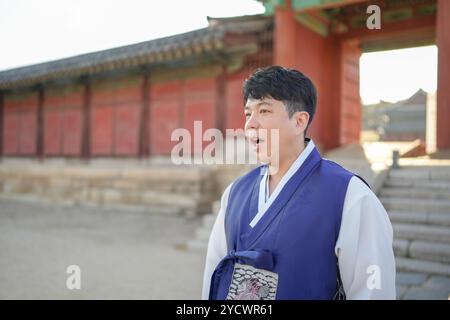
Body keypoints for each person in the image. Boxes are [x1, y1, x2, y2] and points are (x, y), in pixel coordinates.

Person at [201, 66, 396, 300]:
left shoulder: (349, 195)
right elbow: (213, 273)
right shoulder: (234, 193)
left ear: (299, 121)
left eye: (264, 111)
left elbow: (372, 291)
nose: (250, 124)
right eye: (247, 113)